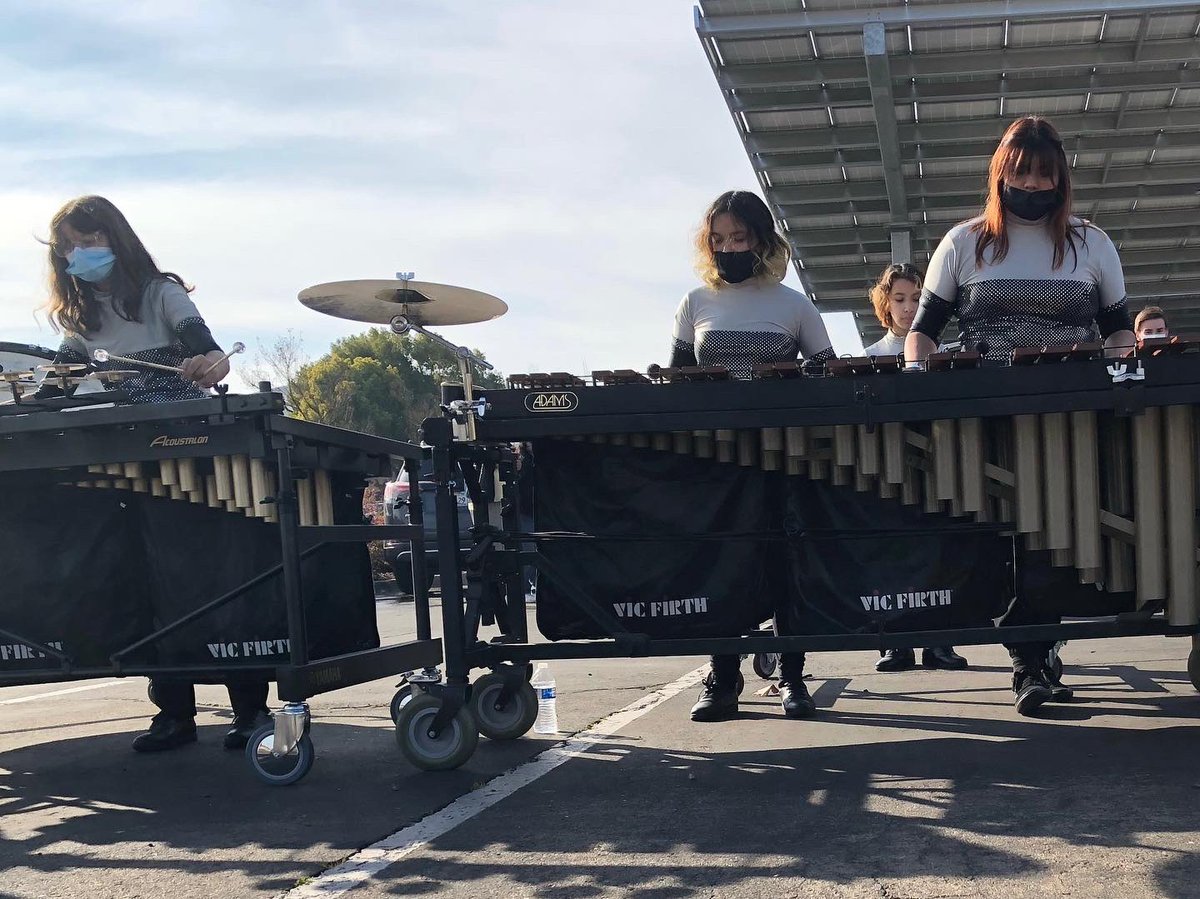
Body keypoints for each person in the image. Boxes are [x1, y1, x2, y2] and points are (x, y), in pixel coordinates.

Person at [903, 116, 1135, 716]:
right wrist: (916, 385)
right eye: (1021, 171)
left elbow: (1117, 332)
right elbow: (923, 334)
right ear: (1000, 173)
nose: (1032, 183)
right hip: (989, 417)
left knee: (1052, 540)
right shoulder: (964, 242)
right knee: (1008, 537)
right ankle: (1031, 653)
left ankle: (1035, 654)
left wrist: (1119, 381)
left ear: (1061, 178)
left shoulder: (1092, 242)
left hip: (1072, 416)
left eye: (1044, 173)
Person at [42, 195, 271, 751]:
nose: (79, 252)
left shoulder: (159, 294)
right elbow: (55, 390)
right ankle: (173, 713)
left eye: (89, 240)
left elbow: (212, 356)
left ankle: (250, 710)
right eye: (69, 245)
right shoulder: (80, 323)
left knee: (212, 577)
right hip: (123, 462)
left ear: (116, 239)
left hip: (186, 454)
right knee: (142, 579)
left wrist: (206, 363)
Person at [669, 189, 835, 722]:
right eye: (717, 239)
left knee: (785, 564)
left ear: (762, 241)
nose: (727, 248)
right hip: (717, 459)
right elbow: (677, 381)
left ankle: (792, 677)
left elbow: (827, 375)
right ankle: (723, 677)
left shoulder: (793, 304)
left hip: (782, 456)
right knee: (722, 566)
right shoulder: (695, 302)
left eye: (738, 238)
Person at [863, 263, 969, 673]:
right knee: (892, 553)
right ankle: (894, 643)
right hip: (888, 469)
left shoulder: (948, 355)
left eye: (917, 300)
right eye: (900, 299)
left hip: (940, 464)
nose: (908, 309)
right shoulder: (869, 358)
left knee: (941, 552)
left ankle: (941, 642)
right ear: (885, 304)